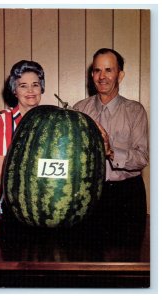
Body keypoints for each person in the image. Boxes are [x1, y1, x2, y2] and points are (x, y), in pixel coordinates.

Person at [73, 48, 149, 245]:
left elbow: (142, 158)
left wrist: (110, 152)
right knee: (86, 257)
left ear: (120, 75)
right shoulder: (79, 109)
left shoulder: (135, 111)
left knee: (126, 260)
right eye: (97, 70)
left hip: (126, 197)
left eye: (109, 70)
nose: (102, 76)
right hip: (88, 195)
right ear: (92, 75)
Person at [0, 60, 45, 247]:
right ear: (15, 91)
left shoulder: (48, 120)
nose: (30, 91)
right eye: (23, 86)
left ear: (42, 88)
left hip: (31, 199)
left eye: (35, 85)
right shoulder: (3, 120)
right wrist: (24, 207)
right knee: (1, 253)